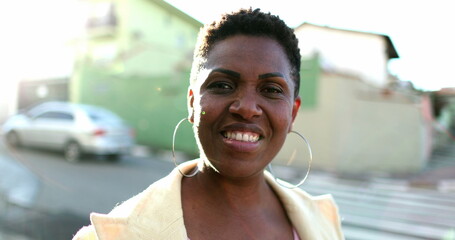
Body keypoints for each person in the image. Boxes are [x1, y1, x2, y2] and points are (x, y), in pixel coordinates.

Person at [72, 8, 344, 240]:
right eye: (223, 85)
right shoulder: (111, 235)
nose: (247, 108)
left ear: (293, 113)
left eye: (271, 89)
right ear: (192, 103)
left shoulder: (324, 222)